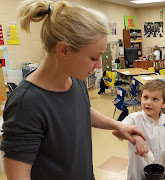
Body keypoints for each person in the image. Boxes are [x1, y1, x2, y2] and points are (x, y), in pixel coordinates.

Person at [0, 0, 145, 179]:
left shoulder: (75, 79)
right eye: (93, 57)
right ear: (64, 50)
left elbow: (81, 109)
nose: (99, 65)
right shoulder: (26, 103)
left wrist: (118, 125)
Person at [113, 79, 165, 180]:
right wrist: (135, 137)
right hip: (139, 175)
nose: (148, 102)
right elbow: (116, 131)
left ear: (164, 103)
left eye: (155, 99)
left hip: (164, 173)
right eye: (145, 97)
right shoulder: (134, 119)